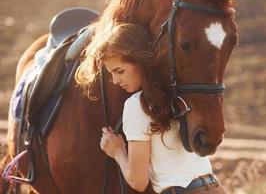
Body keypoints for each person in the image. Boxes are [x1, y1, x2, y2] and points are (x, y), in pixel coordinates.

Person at [75, 23, 227, 194]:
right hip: (215, 187)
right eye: (111, 73)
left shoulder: (136, 105)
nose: (116, 81)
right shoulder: (177, 92)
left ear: (140, 62)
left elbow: (138, 181)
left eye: (120, 71)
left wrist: (118, 152)